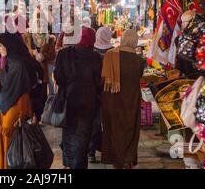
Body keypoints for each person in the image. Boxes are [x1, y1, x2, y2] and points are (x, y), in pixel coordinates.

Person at [54, 27, 102, 169]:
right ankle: (77, 165)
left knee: (68, 135)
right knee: (82, 139)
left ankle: (68, 164)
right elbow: (98, 82)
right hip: (87, 104)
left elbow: (58, 77)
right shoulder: (95, 57)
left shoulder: (64, 54)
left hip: (67, 103)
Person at [0, 33, 43, 169]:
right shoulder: (11, 61)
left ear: (9, 46)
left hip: (17, 109)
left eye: (0, 46)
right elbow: (7, 83)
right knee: (7, 143)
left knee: (15, 146)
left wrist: (23, 115)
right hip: (6, 107)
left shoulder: (20, 64)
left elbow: (24, 90)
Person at [101, 29, 145, 169]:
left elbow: (103, 80)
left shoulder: (109, 55)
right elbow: (138, 76)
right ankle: (128, 159)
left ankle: (116, 160)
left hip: (112, 99)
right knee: (130, 129)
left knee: (114, 129)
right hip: (131, 99)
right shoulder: (139, 60)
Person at [87, 26, 114, 163]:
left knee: (94, 122)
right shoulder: (113, 51)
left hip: (93, 92)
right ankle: (107, 151)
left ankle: (91, 151)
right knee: (109, 122)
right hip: (109, 91)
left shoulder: (91, 51)